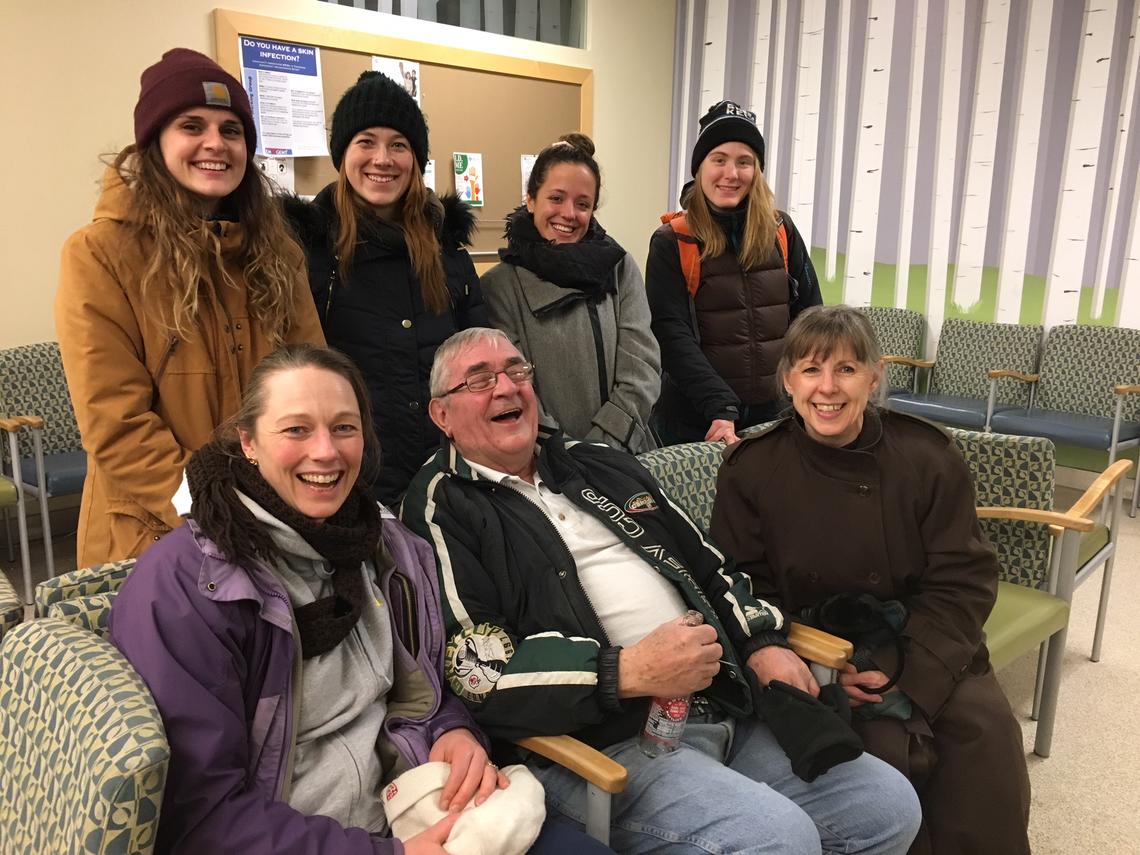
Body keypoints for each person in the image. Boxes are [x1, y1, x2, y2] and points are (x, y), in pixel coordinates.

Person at [401, 327, 921, 854]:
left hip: (718, 702)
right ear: (441, 415)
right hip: (600, 741)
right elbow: (480, 671)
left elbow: (708, 562)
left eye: (517, 371)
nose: (506, 388)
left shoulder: (597, 463)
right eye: (479, 380)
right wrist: (623, 671)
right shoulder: (441, 507)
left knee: (886, 809)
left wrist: (763, 642)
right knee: (779, 841)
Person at [109, 343, 614, 854]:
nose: (326, 451)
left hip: (407, 801)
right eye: (296, 429)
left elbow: (425, 686)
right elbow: (202, 817)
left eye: (344, 427)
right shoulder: (188, 585)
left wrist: (453, 730)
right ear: (248, 443)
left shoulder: (388, 546)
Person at [710, 305, 1031, 855]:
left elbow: (963, 579)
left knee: (984, 735)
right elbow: (742, 591)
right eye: (811, 371)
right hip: (818, 652)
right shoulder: (752, 468)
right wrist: (825, 668)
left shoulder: (927, 457)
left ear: (875, 375)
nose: (827, 389)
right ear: (788, 381)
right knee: (882, 756)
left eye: (846, 370)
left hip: (929, 640)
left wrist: (901, 667)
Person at [56, 48, 325, 567]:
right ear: (155, 141)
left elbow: (311, 384)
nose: (215, 144)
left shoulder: (278, 253)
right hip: (152, 537)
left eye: (232, 130)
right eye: (191, 125)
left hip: (275, 520)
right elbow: (116, 424)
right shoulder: (99, 255)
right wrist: (217, 510)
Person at [285, 71, 485, 507]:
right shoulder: (309, 249)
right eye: (366, 142)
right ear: (342, 154)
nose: (383, 158)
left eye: (399, 144)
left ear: (415, 157)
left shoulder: (445, 246)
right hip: (350, 483)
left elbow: (478, 356)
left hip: (448, 475)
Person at [645, 100, 821, 446]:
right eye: (719, 159)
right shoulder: (673, 240)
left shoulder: (780, 230)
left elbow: (810, 317)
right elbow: (670, 333)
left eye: (745, 162)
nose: (732, 173)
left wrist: (809, 387)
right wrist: (718, 405)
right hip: (699, 420)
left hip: (777, 413)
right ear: (700, 167)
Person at [480, 133, 660, 454]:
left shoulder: (618, 268)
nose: (569, 214)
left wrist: (605, 445)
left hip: (625, 453)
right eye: (556, 198)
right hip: (544, 460)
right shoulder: (500, 285)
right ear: (531, 199)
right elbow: (512, 388)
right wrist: (564, 453)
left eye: (583, 204)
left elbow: (641, 366)